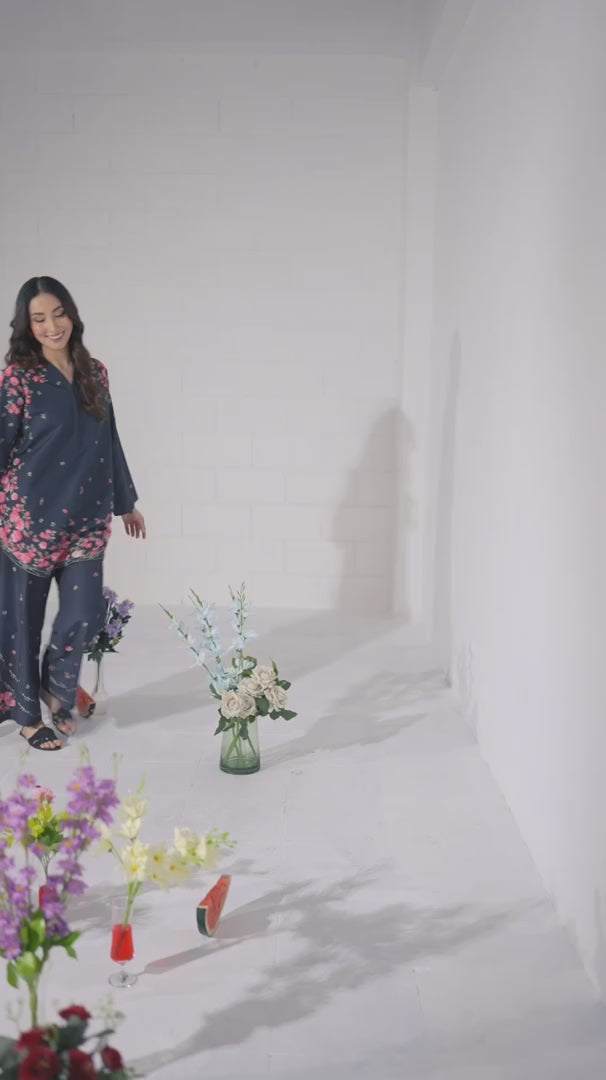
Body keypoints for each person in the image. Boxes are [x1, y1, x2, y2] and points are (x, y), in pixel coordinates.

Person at [0, 277, 146, 750]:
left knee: (84, 613)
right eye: (39, 319)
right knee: (23, 622)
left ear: (71, 314)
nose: (51, 326)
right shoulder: (18, 378)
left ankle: (55, 687)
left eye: (58, 313)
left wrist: (125, 502)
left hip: (87, 516)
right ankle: (27, 718)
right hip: (30, 520)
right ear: (27, 326)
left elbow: (109, 438)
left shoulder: (94, 372)